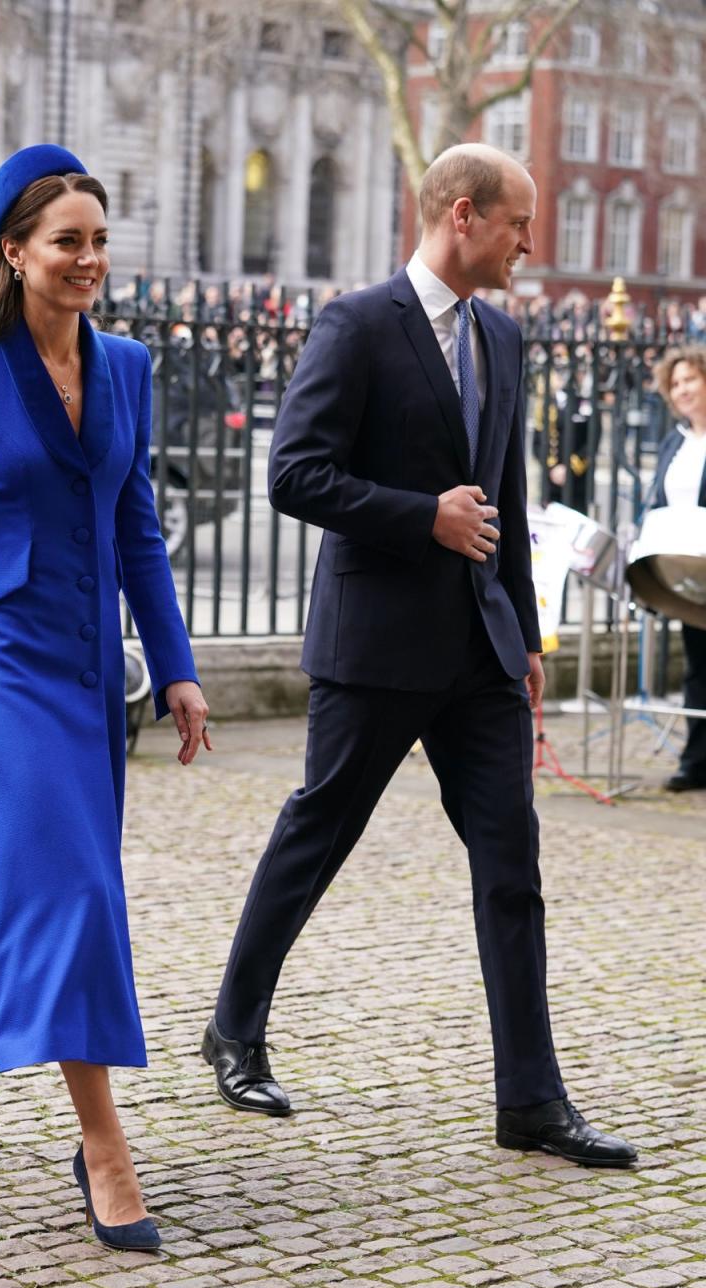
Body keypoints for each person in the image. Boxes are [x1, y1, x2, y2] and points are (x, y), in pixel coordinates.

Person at [202, 144, 637, 1170]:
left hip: (480, 652)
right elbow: (294, 475)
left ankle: (530, 1102)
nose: (531, 241)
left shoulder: (506, 336)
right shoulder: (356, 325)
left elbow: (508, 497)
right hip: (377, 645)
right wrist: (419, 520)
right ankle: (233, 1027)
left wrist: (527, 634)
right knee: (320, 835)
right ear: (460, 213)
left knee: (512, 868)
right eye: (519, 222)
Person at [0, 145, 211, 1252]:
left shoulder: (130, 369)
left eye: (100, 241)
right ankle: (103, 1148)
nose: (89, 260)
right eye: (68, 241)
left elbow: (138, 531)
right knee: (73, 891)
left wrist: (182, 667)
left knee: (28, 870)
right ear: (13, 251)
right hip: (4, 658)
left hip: (91, 664)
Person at [650, 346, 706, 792]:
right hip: (689, 570)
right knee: (697, 666)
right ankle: (697, 761)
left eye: (690, 379)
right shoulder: (676, 441)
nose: (683, 389)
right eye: (676, 383)